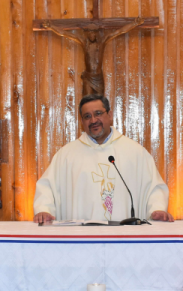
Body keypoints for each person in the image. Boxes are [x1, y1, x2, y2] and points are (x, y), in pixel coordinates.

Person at [33, 95, 173, 224]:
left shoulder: (135, 152)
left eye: (98, 113)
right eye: (87, 116)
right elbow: (47, 187)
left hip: (124, 239)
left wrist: (157, 209)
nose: (93, 120)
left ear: (110, 115)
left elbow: (154, 187)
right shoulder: (66, 156)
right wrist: (43, 210)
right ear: (82, 121)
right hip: (80, 239)